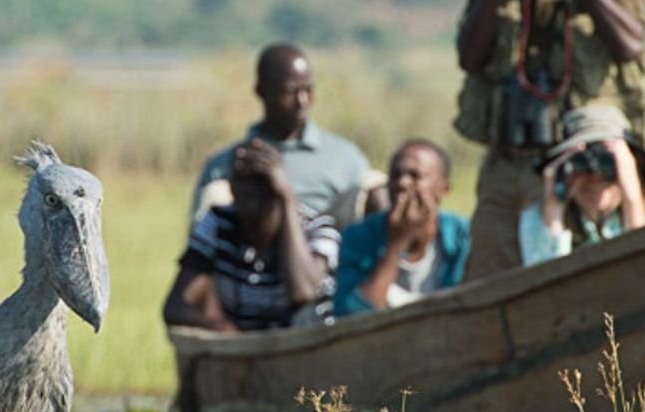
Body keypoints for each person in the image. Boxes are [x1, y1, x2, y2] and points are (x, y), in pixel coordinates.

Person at [454, 0, 645, 281]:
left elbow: (631, 45)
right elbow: (469, 57)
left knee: (563, 274)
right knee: (489, 272)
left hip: (578, 162)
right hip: (507, 158)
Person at [189, 43, 371, 232]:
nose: (302, 101)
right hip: (248, 256)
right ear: (261, 91)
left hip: (326, 254)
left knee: (372, 186)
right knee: (215, 193)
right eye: (290, 91)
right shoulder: (227, 164)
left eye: (308, 90)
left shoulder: (346, 158)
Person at [164, 139, 339, 332]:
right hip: (242, 348)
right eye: (243, 180)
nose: (253, 190)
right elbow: (175, 307)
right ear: (231, 187)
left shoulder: (318, 227)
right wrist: (226, 331)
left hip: (305, 347)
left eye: (263, 180)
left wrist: (287, 199)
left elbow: (303, 291)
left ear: (280, 186)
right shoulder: (218, 221)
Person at [335, 140, 471, 316]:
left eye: (415, 176)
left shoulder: (464, 237)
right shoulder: (359, 237)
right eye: (396, 175)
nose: (403, 183)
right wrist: (396, 245)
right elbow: (350, 317)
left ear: (443, 189)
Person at [519, 103, 645, 265]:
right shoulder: (537, 220)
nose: (595, 177)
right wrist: (554, 213)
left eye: (608, 163)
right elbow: (544, 285)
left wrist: (632, 201)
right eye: (581, 164)